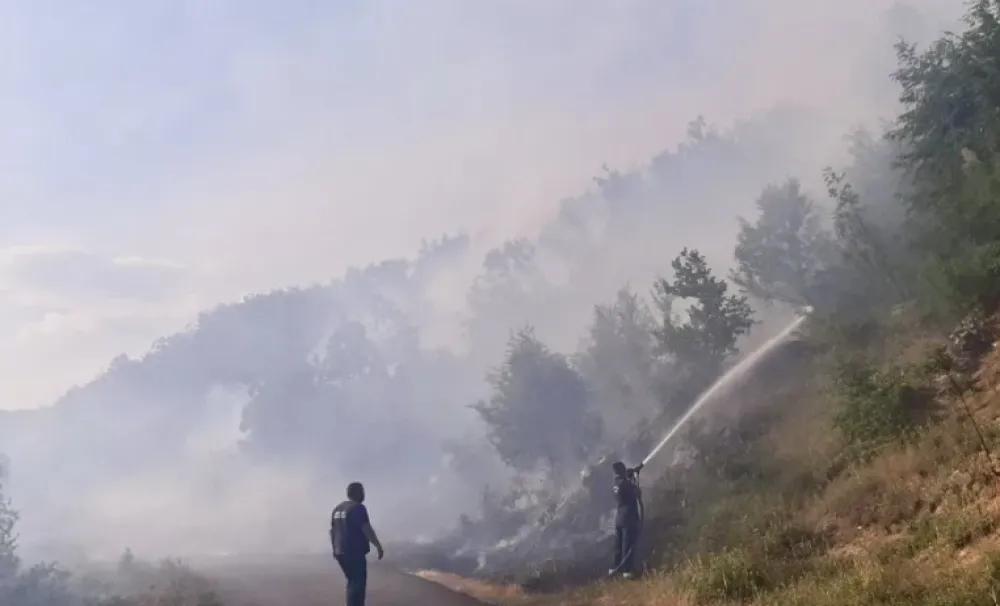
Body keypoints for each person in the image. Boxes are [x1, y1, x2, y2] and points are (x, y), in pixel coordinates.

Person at [330, 481, 385, 606]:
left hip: (340, 552)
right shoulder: (358, 508)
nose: (364, 494)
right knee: (358, 585)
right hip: (353, 552)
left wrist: (335, 550)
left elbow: (332, 531)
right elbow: (366, 529)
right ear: (357, 493)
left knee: (352, 582)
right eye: (362, 491)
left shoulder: (338, 508)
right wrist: (378, 546)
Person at [609, 461, 643, 579]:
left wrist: (629, 477)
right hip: (629, 517)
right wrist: (634, 479)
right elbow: (637, 493)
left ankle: (615, 568)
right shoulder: (626, 484)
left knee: (618, 545)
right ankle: (627, 571)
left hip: (619, 518)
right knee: (627, 545)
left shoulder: (615, 484)